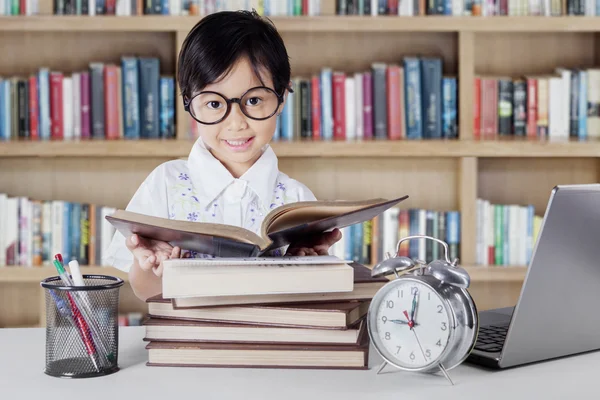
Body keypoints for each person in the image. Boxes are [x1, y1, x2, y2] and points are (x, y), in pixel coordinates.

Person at [103, 10, 342, 301]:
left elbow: (314, 298)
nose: (236, 122)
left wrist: (308, 265)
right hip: (189, 343)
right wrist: (150, 266)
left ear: (282, 97)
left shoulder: (297, 201)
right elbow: (146, 292)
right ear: (190, 104)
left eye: (253, 100)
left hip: (267, 344)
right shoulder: (164, 184)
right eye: (215, 103)